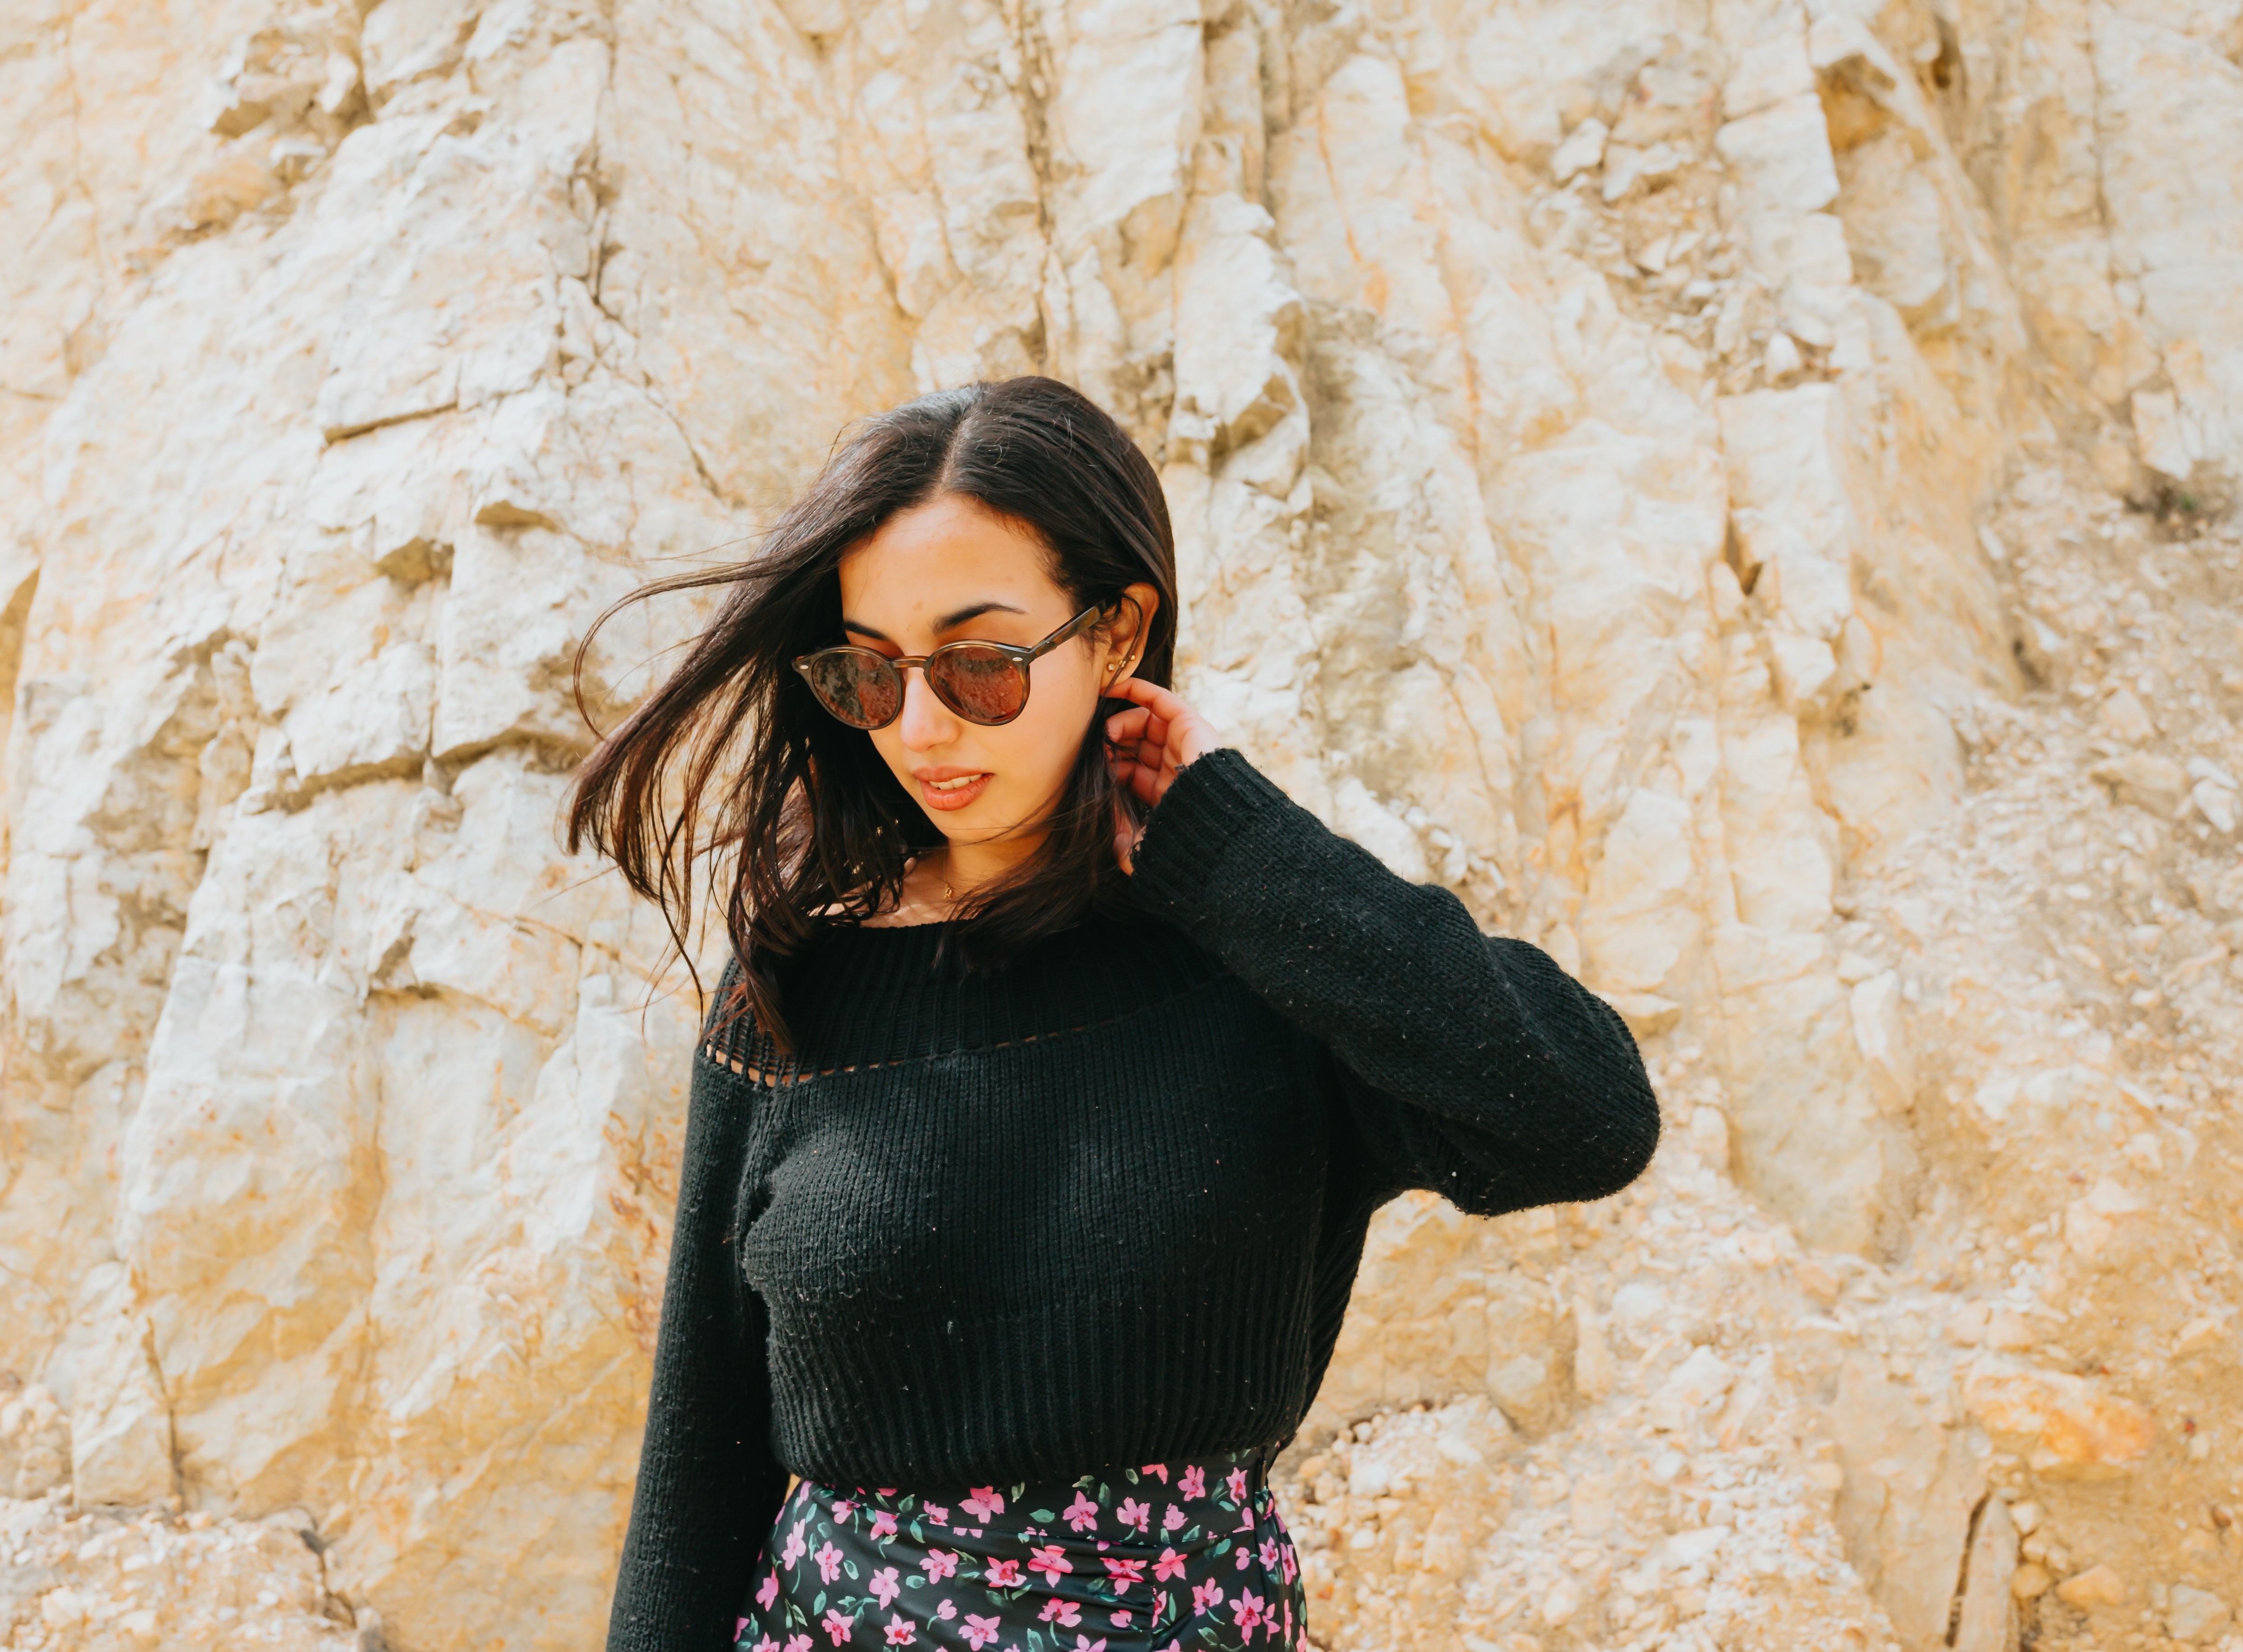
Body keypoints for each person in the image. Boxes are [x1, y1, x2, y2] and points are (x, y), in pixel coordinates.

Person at [563, 375, 1661, 1652]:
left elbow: (1586, 1119)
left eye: (979, 665)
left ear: (1120, 633)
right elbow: (699, 1473)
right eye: (871, 675)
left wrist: (1243, 847)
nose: (920, 730)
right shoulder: (797, 991)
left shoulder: (1267, 960)